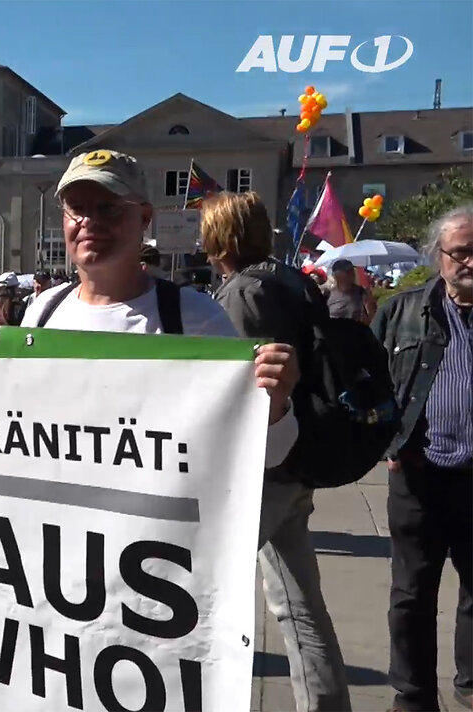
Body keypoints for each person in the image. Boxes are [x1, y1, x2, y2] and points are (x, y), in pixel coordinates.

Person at [0, 149, 300, 470]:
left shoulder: (193, 317)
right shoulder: (42, 311)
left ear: (143, 218)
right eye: (77, 208)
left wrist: (272, 405)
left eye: (109, 208)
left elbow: (265, 455)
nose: (90, 222)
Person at [201, 191, 351, 712]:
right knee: (299, 603)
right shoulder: (289, 278)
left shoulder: (243, 292)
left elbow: (241, 388)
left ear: (220, 237)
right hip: (296, 460)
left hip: (264, 466)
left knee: (195, 590)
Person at [372, 204, 473, 712]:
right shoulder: (401, 310)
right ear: (439, 256)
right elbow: (368, 385)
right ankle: (413, 697)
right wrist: (388, 444)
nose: (471, 261)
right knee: (412, 595)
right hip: (419, 473)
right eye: (462, 253)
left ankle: (471, 686)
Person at [326, 258, 376, 324]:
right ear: (335, 275)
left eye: (352, 270)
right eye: (347, 271)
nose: (351, 273)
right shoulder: (327, 295)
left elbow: (372, 318)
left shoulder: (361, 292)